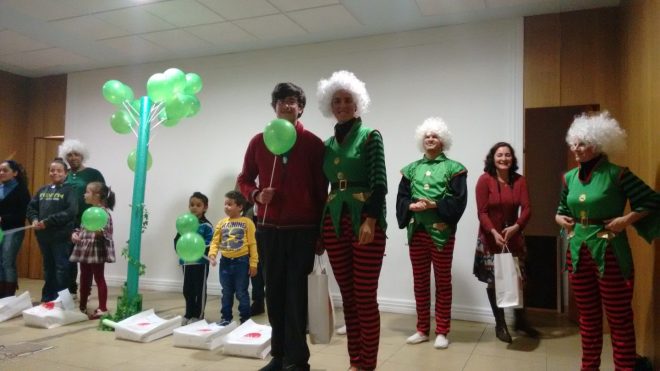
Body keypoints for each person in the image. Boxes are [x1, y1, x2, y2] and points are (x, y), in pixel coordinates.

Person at [555, 111, 659, 371]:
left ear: (598, 145)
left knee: (619, 318)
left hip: (610, 251)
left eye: (583, 143)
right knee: (588, 319)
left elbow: (651, 202)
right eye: (574, 143)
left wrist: (626, 220)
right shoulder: (569, 178)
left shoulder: (618, 174)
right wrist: (560, 219)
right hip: (578, 252)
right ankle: (588, 367)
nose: (576, 149)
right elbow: (562, 210)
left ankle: (624, 367)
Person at [237, 82, 326, 371]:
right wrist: (256, 195)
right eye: (281, 101)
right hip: (267, 229)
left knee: (296, 296)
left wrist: (321, 233)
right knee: (274, 294)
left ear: (301, 107)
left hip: (302, 230)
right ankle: (278, 356)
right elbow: (244, 179)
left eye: (293, 101)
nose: (287, 106)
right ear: (274, 106)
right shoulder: (259, 141)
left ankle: (298, 360)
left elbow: (320, 191)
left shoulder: (313, 143)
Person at [317, 70, 386, 371]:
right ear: (330, 107)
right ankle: (354, 361)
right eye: (337, 101)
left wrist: (370, 220)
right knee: (347, 296)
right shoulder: (327, 145)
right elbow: (325, 188)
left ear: (357, 104)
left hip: (364, 221)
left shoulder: (371, 136)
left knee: (365, 297)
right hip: (333, 220)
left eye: (348, 100)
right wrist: (320, 231)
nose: (342, 105)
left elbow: (379, 183)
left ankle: (367, 364)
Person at [395, 117, 467, 350]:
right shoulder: (411, 169)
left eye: (434, 136)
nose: (430, 139)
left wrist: (434, 205)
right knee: (420, 281)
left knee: (443, 281)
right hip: (416, 232)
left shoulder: (454, 169)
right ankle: (422, 329)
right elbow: (402, 198)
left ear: (442, 140)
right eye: (426, 136)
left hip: (441, 233)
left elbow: (458, 201)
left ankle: (442, 330)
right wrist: (410, 207)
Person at [473, 142, 538, 343]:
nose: (504, 158)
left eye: (507, 155)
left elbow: (527, 209)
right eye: (500, 155)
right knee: (495, 282)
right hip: (491, 239)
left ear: (513, 158)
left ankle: (520, 321)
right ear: (493, 158)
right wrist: (493, 232)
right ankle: (500, 324)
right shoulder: (484, 181)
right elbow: (482, 212)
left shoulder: (520, 181)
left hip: (514, 238)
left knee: (518, 279)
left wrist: (517, 226)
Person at [26, 158, 78, 302]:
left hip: (61, 237)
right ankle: (47, 298)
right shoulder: (42, 190)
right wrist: (35, 219)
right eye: (52, 170)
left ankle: (62, 300)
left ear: (65, 173)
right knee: (48, 268)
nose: (55, 173)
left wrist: (48, 222)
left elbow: (71, 212)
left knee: (62, 268)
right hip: (43, 237)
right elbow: (31, 208)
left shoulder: (70, 191)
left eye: (59, 170)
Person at [59, 139, 105, 297]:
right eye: (69, 155)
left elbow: (103, 196)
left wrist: (99, 219)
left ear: (82, 156)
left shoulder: (93, 174)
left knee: (86, 261)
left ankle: (85, 291)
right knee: (69, 258)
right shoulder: (64, 175)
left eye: (76, 154)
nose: (73, 158)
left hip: (89, 222)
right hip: (68, 223)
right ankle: (71, 290)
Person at [208, 190, 257, 326]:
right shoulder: (221, 223)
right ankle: (226, 318)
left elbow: (253, 244)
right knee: (226, 292)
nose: (226, 207)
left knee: (241, 292)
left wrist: (253, 264)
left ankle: (245, 319)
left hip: (242, 262)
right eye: (225, 204)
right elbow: (215, 241)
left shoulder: (247, 222)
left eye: (230, 204)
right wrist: (212, 255)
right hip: (225, 262)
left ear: (240, 207)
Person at [70, 182, 116, 319]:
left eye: (87, 192)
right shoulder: (89, 212)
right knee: (84, 277)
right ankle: (82, 306)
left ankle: (102, 308)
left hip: (96, 248)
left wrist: (99, 232)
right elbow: (82, 227)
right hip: (85, 247)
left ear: (97, 195)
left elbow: (107, 232)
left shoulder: (103, 213)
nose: (84, 194)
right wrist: (76, 233)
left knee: (99, 277)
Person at [174, 192, 214, 325]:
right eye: (192, 205)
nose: (194, 207)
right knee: (187, 290)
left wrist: (201, 251)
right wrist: (180, 251)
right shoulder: (184, 224)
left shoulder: (206, 226)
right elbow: (177, 240)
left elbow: (210, 243)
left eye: (198, 205)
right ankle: (189, 313)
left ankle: (199, 315)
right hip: (186, 262)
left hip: (201, 263)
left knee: (199, 290)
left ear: (205, 207)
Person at [0, 160, 31, 298]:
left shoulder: (21, 190)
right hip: (0, 231)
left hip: (14, 230)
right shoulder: (0, 188)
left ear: (15, 173)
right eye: (0, 170)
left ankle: (9, 294)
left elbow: (23, 213)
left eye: (5, 170)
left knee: (7, 260)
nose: (1, 173)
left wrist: (3, 219)